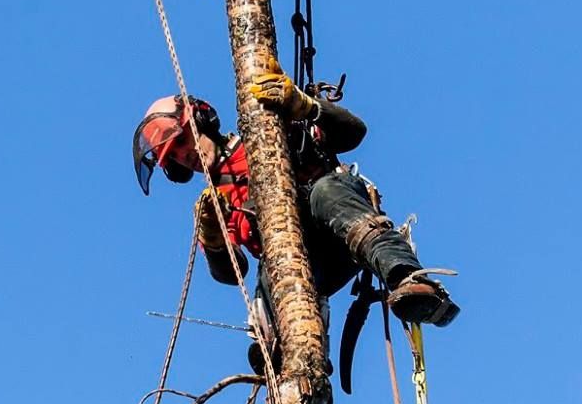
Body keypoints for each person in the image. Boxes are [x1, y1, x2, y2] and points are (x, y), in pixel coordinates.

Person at [132, 68, 458, 387]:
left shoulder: (267, 132)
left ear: (200, 120)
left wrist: (305, 106)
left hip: (340, 231)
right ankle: (293, 365)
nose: (185, 155)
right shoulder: (216, 203)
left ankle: (407, 277)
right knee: (271, 262)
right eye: (173, 156)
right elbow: (233, 272)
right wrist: (214, 239)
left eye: (182, 141)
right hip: (299, 271)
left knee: (325, 190)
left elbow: (354, 132)